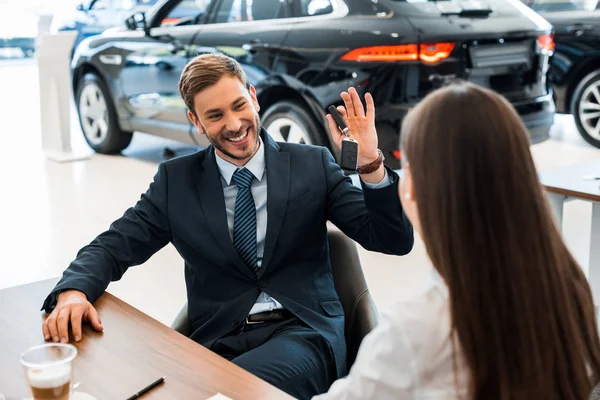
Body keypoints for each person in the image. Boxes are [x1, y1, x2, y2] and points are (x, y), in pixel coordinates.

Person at [40, 53, 414, 399]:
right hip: (215, 342)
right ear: (196, 121)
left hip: (301, 334)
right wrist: (73, 291)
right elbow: (115, 244)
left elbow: (393, 239)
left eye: (239, 106)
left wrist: (369, 164)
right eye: (215, 115)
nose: (234, 125)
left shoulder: (311, 164)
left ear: (253, 97)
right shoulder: (176, 181)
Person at [313, 82, 600, 400]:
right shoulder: (570, 288)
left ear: (420, 189)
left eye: (409, 169)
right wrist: (368, 161)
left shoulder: (415, 331)